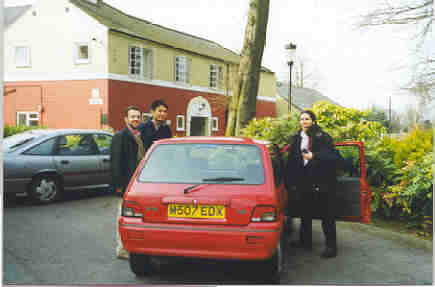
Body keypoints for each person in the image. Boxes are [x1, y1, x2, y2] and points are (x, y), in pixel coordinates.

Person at [285, 110, 343, 258]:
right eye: (302, 119)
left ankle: (331, 247)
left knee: (327, 215)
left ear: (313, 121)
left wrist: (314, 156)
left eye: (307, 119)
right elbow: (292, 160)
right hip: (304, 181)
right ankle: (305, 242)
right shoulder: (296, 138)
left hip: (322, 181)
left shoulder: (322, 136)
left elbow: (334, 156)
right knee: (305, 212)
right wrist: (290, 181)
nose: (304, 121)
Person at [111, 105, 145, 259]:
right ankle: (122, 249)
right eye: (133, 116)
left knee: (134, 218)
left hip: (137, 184)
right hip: (125, 185)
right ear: (126, 119)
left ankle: (131, 247)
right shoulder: (120, 136)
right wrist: (118, 186)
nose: (136, 119)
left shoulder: (138, 135)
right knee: (123, 218)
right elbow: (115, 163)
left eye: (138, 116)